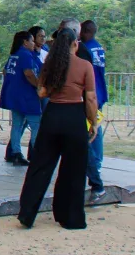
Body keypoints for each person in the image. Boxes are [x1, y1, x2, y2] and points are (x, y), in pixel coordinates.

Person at [17, 27, 98, 230]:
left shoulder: (48, 64)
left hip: (53, 115)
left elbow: (42, 92)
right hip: (74, 116)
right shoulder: (85, 65)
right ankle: (70, 217)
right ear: (75, 44)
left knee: (40, 166)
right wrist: (93, 122)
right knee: (73, 169)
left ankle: (27, 214)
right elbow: (90, 98)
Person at [77, 20, 109, 203]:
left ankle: (94, 165)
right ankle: (95, 164)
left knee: (90, 131)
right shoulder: (98, 48)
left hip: (90, 95)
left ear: (87, 31)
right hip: (98, 93)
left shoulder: (85, 49)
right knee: (93, 129)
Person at [2, 31, 42, 166]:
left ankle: (16, 153)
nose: (33, 43)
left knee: (17, 125)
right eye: (31, 41)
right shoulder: (25, 54)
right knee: (36, 125)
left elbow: (5, 71)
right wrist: (39, 86)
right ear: (25, 42)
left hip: (14, 95)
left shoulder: (14, 55)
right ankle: (38, 155)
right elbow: (29, 73)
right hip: (27, 96)